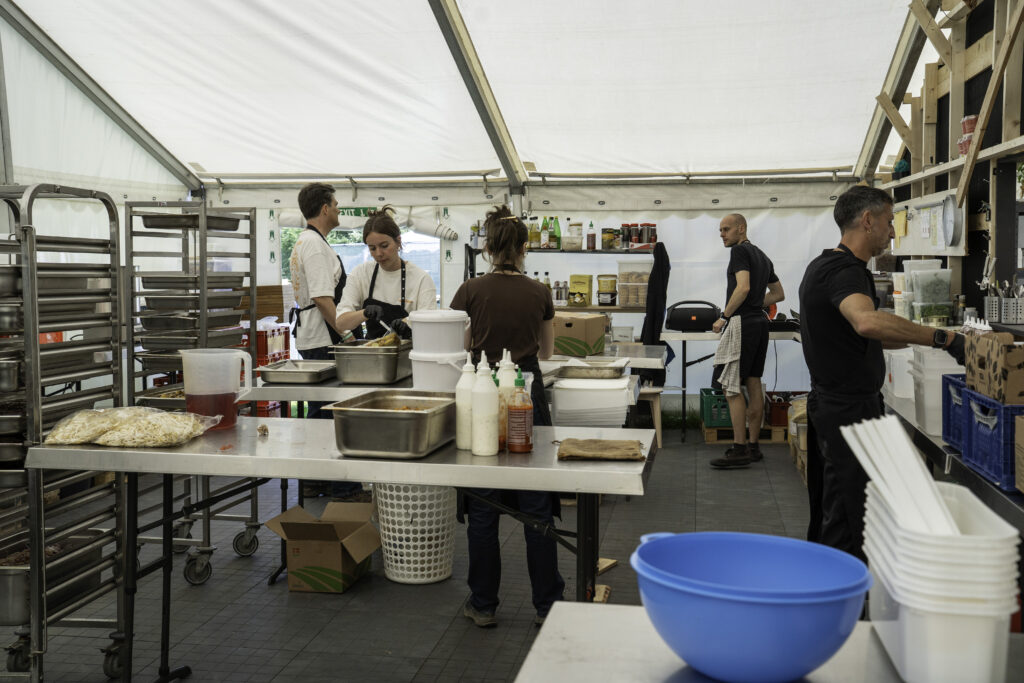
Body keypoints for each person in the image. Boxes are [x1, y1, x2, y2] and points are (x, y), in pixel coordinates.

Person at [798, 186, 964, 562]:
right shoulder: (844, 272)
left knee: (837, 512)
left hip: (837, 407)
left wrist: (928, 342)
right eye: (889, 222)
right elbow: (867, 323)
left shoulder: (825, 266)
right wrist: (944, 338)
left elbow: (868, 338)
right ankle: (844, 595)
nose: (892, 231)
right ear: (867, 220)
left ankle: (831, 584)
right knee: (848, 522)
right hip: (846, 413)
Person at [449, 205, 564, 628]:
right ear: (523, 248)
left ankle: (483, 604)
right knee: (536, 505)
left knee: (483, 504)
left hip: (480, 392)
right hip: (526, 393)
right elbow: (547, 351)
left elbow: (460, 345)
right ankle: (547, 606)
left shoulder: (470, 290)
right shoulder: (540, 292)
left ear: (488, 246)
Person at [288, 183, 362, 500]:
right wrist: (347, 334)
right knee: (334, 411)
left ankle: (314, 479)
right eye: (336, 203)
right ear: (324, 208)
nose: (339, 209)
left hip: (313, 335)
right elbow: (322, 298)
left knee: (320, 409)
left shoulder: (309, 241)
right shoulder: (315, 246)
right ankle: (343, 488)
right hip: (324, 337)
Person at [709, 214, 785, 469]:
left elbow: (742, 288)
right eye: (720, 230)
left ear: (741, 229)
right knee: (753, 382)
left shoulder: (739, 252)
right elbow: (778, 294)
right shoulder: (762, 255)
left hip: (742, 324)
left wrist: (724, 316)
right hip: (760, 324)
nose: (722, 234)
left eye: (726, 229)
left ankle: (740, 449)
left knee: (730, 387)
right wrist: (755, 304)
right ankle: (753, 446)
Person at [335, 206, 437, 340]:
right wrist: (364, 313)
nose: (379, 253)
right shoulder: (361, 274)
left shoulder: (421, 279)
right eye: (372, 248)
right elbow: (341, 323)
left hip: (410, 350)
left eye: (384, 246)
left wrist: (409, 326)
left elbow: (430, 326)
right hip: (373, 350)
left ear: (398, 241)